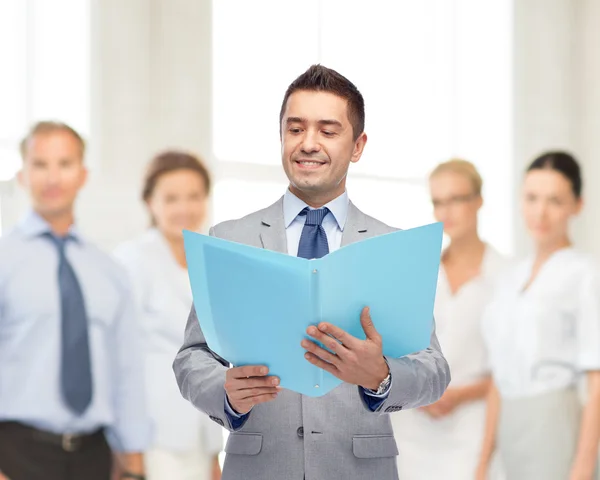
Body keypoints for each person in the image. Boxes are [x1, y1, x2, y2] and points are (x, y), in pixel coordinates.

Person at [172, 64, 450, 480]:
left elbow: (434, 369)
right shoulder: (230, 238)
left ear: (357, 146)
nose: (308, 144)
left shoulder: (391, 245)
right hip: (260, 467)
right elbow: (192, 356)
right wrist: (225, 392)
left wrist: (382, 375)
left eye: (328, 130)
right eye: (295, 129)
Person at [0, 121, 149, 480]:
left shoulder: (110, 271)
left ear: (83, 175)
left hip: (95, 457)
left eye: (64, 164)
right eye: (40, 164)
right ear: (22, 174)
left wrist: (133, 464)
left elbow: (126, 371)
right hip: (16, 454)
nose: (53, 177)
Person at [476, 151, 600, 480]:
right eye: (532, 198)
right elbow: (497, 379)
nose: (540, 212)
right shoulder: (509, 278)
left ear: (577, 205)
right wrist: (482, 462)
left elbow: (597, 377)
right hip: (510, 428)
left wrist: (584, 467)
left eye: (555, 201)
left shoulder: (585, 274)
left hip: (556, 423)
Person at [392, 159, 506, 479]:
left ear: (479, 201)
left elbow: (508, 368)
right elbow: (398, 346)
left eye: (456, 199)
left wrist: (456, 395)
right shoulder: (418, 272)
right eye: (438, 202)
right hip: (412, 426)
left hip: (471, 427)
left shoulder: (506, 277)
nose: (446, 212)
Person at [114, 151, 223, 480]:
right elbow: (119, 359)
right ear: (150, 202)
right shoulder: (132, 261)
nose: (184, 208)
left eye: (194, 196)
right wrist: (129, 448)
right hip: (153, 437)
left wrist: (213, 450)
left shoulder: (210, 262)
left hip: (201, 433)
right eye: (171, 198)